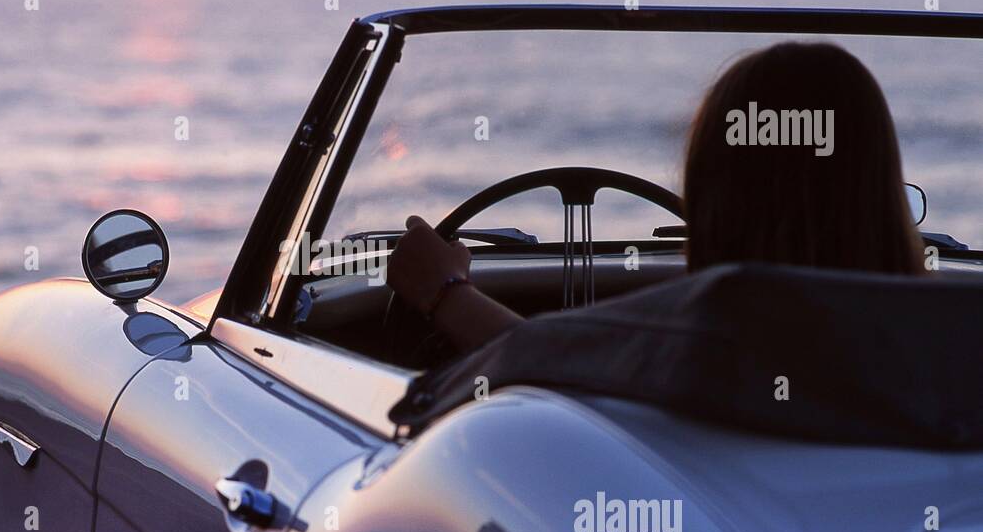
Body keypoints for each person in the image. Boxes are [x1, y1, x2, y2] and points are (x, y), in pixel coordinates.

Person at [386, 42, 925, 354]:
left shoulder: (688, 364)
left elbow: (552, 373)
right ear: (880, 192)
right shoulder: (945, 353)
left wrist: (446, 294)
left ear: (715, 204)